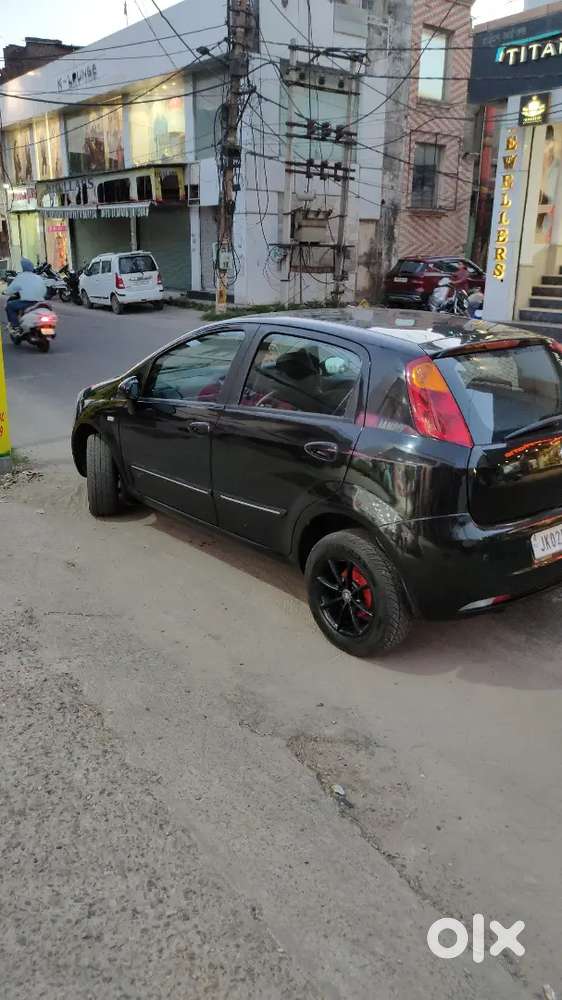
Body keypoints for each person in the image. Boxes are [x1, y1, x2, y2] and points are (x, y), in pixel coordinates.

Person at [5, 258, 47, 331]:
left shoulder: (21, 276)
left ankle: (16, 327)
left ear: (23, 268)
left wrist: (5, 292)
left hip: (27, 302)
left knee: (10, 306)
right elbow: (44, 290)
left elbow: (10, 290)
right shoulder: (38, 277)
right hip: (40, 302)